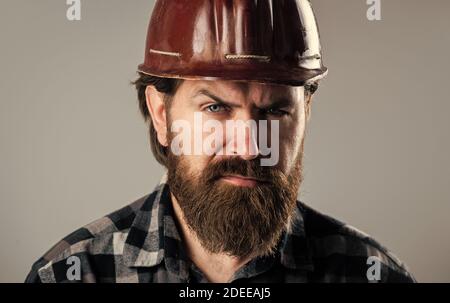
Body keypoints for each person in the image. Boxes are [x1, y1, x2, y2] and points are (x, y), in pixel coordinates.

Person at [25, 0, 415, 283]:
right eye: (215, 108)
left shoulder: (372, 275)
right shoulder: (71, 275)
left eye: (275, 112)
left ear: (305, 113)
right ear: (162, 115)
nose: (249, 147)